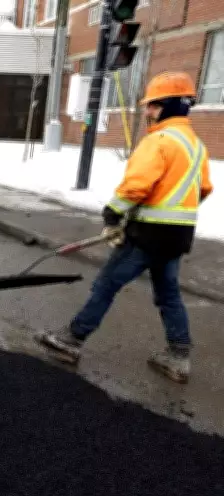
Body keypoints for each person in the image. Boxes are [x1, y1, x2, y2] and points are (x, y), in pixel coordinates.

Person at [36, 72, 213, 383]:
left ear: (170, 106)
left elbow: (136, 186)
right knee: (169, 295)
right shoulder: (196, 146)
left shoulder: (159, 140)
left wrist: (112, 215)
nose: (147, 112)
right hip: (177, 237)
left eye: (153, 106)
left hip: (146, 235)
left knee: (106, 286)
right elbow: (204, 189)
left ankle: (71, 340)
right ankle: (178, 358)